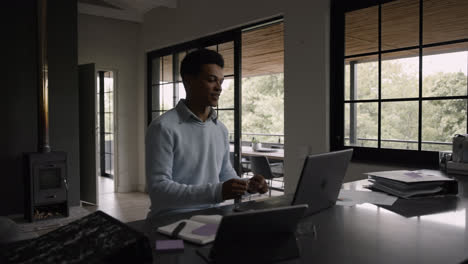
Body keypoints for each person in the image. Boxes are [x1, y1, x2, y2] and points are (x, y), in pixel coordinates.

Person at [145, 48, 268, 218]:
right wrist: (217, 191)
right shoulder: (162, 127)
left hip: (210, 221)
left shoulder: (220, 129)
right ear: (188, 81)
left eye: (221, 82)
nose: (219, 88)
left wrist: (248, 186)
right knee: (164, 247)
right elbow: (159, 191)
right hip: (168, 225)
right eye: (211, 80)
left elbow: (226, 174)